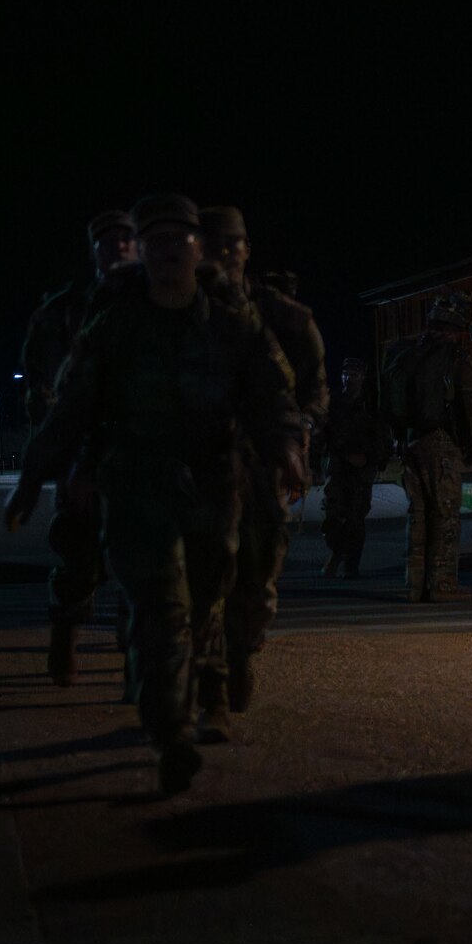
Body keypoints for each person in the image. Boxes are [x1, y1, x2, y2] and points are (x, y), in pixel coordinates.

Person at [4, 193, 303, 794]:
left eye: (180, 239)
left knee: (200, 604)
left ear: (198, 249)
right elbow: (71, 408)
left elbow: (271, 394)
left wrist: (286, 451)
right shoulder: (113, 325)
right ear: (140, 253)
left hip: (213, 489)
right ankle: (171, 734)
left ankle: (198, 696)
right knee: (159, 610)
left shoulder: (230, 324)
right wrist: (35, 475)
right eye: (155, 241)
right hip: (137, 486)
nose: (168, 251)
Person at [197, 206, 328, 728]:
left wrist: (295, 440)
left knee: (256, 575)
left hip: (262, 462)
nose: (226, 253)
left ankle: (241, 650)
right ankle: (208, 682)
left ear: (248, 250)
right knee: (200, 577)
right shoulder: (178, 311)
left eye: (235, 244)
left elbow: (311, 389)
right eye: (214, 244)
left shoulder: (283, 316)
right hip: (199, 466)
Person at [20, 209, 140, 687]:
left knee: (144, 563)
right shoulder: (67, 309)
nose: (118, 249)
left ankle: (137, 656)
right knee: (79, 556)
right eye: (108, 242)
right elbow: (45, 390)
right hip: (81, 461)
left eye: (126, 241)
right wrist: (68, 462)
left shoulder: (157, 303)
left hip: (141, 458)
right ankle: (65, 634)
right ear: (94, 251)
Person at [387, 293, 472, 602]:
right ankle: (442, 585)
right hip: (441, 442)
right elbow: (468, 403)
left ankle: (415, 584)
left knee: (417, 514)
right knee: (445, 515)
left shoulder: (405, 354)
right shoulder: (455, 357)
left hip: (410, 441)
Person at [319, 357, 391, 577]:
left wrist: (368, 457)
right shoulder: (334, 403)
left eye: (354, 374)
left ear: (362, 378)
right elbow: (325, 434)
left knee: (356, 517)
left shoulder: (372, 404)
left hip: (362, 469)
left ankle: (352, 564)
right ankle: (338, 552)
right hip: (339, 466)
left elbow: (382, 438)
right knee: (331, 516)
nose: (348, 378)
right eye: (345, 374)